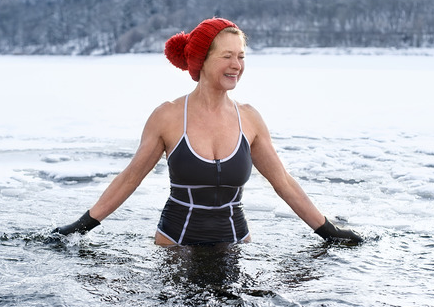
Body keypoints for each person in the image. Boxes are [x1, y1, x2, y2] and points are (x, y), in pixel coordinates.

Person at [52, 17, 362, 246]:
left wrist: (327, 230)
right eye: (227, 56)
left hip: (236, 244)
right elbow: (130, 178)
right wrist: (80, 226)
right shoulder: (169, 116)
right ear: (203, 60)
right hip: (175, 245)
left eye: (241, 56)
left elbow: (283, 182)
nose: (236, 65)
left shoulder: (250, 119)